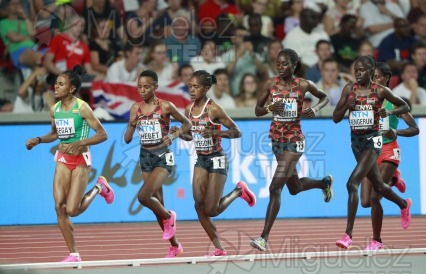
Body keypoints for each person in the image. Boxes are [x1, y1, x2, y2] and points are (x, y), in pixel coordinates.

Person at [24, 65, 115, 262]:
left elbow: (103, 134)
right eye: (56, 83)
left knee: (72, 210)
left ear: (71, 88)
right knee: (59, 206)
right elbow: (55, 134)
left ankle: (100, 186)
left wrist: (80, 143)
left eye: (60, 84)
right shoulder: (55, 109)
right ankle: (74, 254)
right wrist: (38, 140)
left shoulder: (81, 107)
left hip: (81, 160)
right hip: (63, 159)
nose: (55, 87)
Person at [250, 48, 333, 252]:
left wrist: (314, 109)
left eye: (284, 64)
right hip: (276, 140)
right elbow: (258, 110)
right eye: (278, 64)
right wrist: (271, 108)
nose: (280, 67)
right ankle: (324, 183)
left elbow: (324, 97)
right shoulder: (270, 84)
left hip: (294, 141)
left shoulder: (303, 84)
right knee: (294, 188)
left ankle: (263, 238)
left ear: (294, 65)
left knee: (274, 187)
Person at [333, 55, 413, 249]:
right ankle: (403, 204)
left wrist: (389, 112)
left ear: (370, 71)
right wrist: (345, 106)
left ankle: (348, 235)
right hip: (356, 142)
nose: (358, 74)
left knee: (352, 183)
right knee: (373, 193)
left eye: (362, 70)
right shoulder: (349, 89)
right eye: (356, 70)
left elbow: (405, 106)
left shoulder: (380, 91)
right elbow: (336, 118)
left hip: (374, 141)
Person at [174, 70, 256, 256]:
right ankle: (219, 248)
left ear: (206, 88)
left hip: (217, 159)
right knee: (198, 205)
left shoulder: (214, 109)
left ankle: (238, 191)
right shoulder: (188, 109)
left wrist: (216, 133)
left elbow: (237, 132)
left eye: (196, 87)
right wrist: (179, 133)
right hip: (201, 159)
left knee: (211, 210)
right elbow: (189, 135)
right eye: (190, 86)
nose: (192, 90)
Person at [123, 70, 192, 258]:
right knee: (157, 205)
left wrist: (173, 135)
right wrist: (131, 124)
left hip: (163, 157)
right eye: (139, 87)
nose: (142, 90)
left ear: (155, 87)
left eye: (146, 86)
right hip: (145, 157)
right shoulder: (135, 108)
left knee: (144, 196)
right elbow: (127, 139)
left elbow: (187, 125)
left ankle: (170, 216)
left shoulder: (166, 106)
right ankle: (175, 246)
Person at [360, 62, 420, 250]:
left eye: (378, 77)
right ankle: (397, 188)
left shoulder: (393, 100)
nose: (374, 80)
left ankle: (376, 240)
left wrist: (395, 131)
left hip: (389, 151)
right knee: (365, 202)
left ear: (387, 78)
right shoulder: (366, 98)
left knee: (376, 198)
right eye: (372, 77)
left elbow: (414, 128)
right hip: (371, 152)